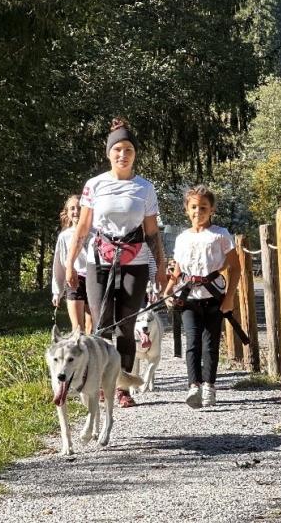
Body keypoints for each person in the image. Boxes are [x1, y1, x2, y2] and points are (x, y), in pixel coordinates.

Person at [66, 118, 167, 408]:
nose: (123, 155)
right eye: (118, 150)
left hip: (134, 260)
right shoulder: (94, 185)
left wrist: (159, 266)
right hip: (99, 260)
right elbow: (82, 229)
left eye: (129, 150)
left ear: (135, 155)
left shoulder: (145, 188)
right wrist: (72, 264)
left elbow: (151, 232)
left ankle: (122, 386)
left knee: (126, 324)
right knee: (101, 323)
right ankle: (97, 382)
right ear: (109, 153)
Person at [162, 185, 241, 409]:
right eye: (194, 207)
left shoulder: (220, 235)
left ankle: (209, 386)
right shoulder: (182, 238)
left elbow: (235, 268)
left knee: (210, 344)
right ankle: (193, 385)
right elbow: (178, 269)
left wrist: (229, 298)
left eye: (203, 207)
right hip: (189, 298)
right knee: (192, 343)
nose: (198, 211)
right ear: (187, 209)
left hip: (214, 297)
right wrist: (168, 289)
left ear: (212, 209)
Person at [51, 195, 93, 333]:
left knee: (91, 326)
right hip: (75, 279)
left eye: (80, 208)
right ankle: (79, 352)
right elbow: (59, 264)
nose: (76, 211)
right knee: (77, 329)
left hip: (94, 279)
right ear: (67, 213)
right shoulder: (64, 236)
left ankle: (92, 353)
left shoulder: (95, 233)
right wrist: (57, 292)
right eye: (72, 208)